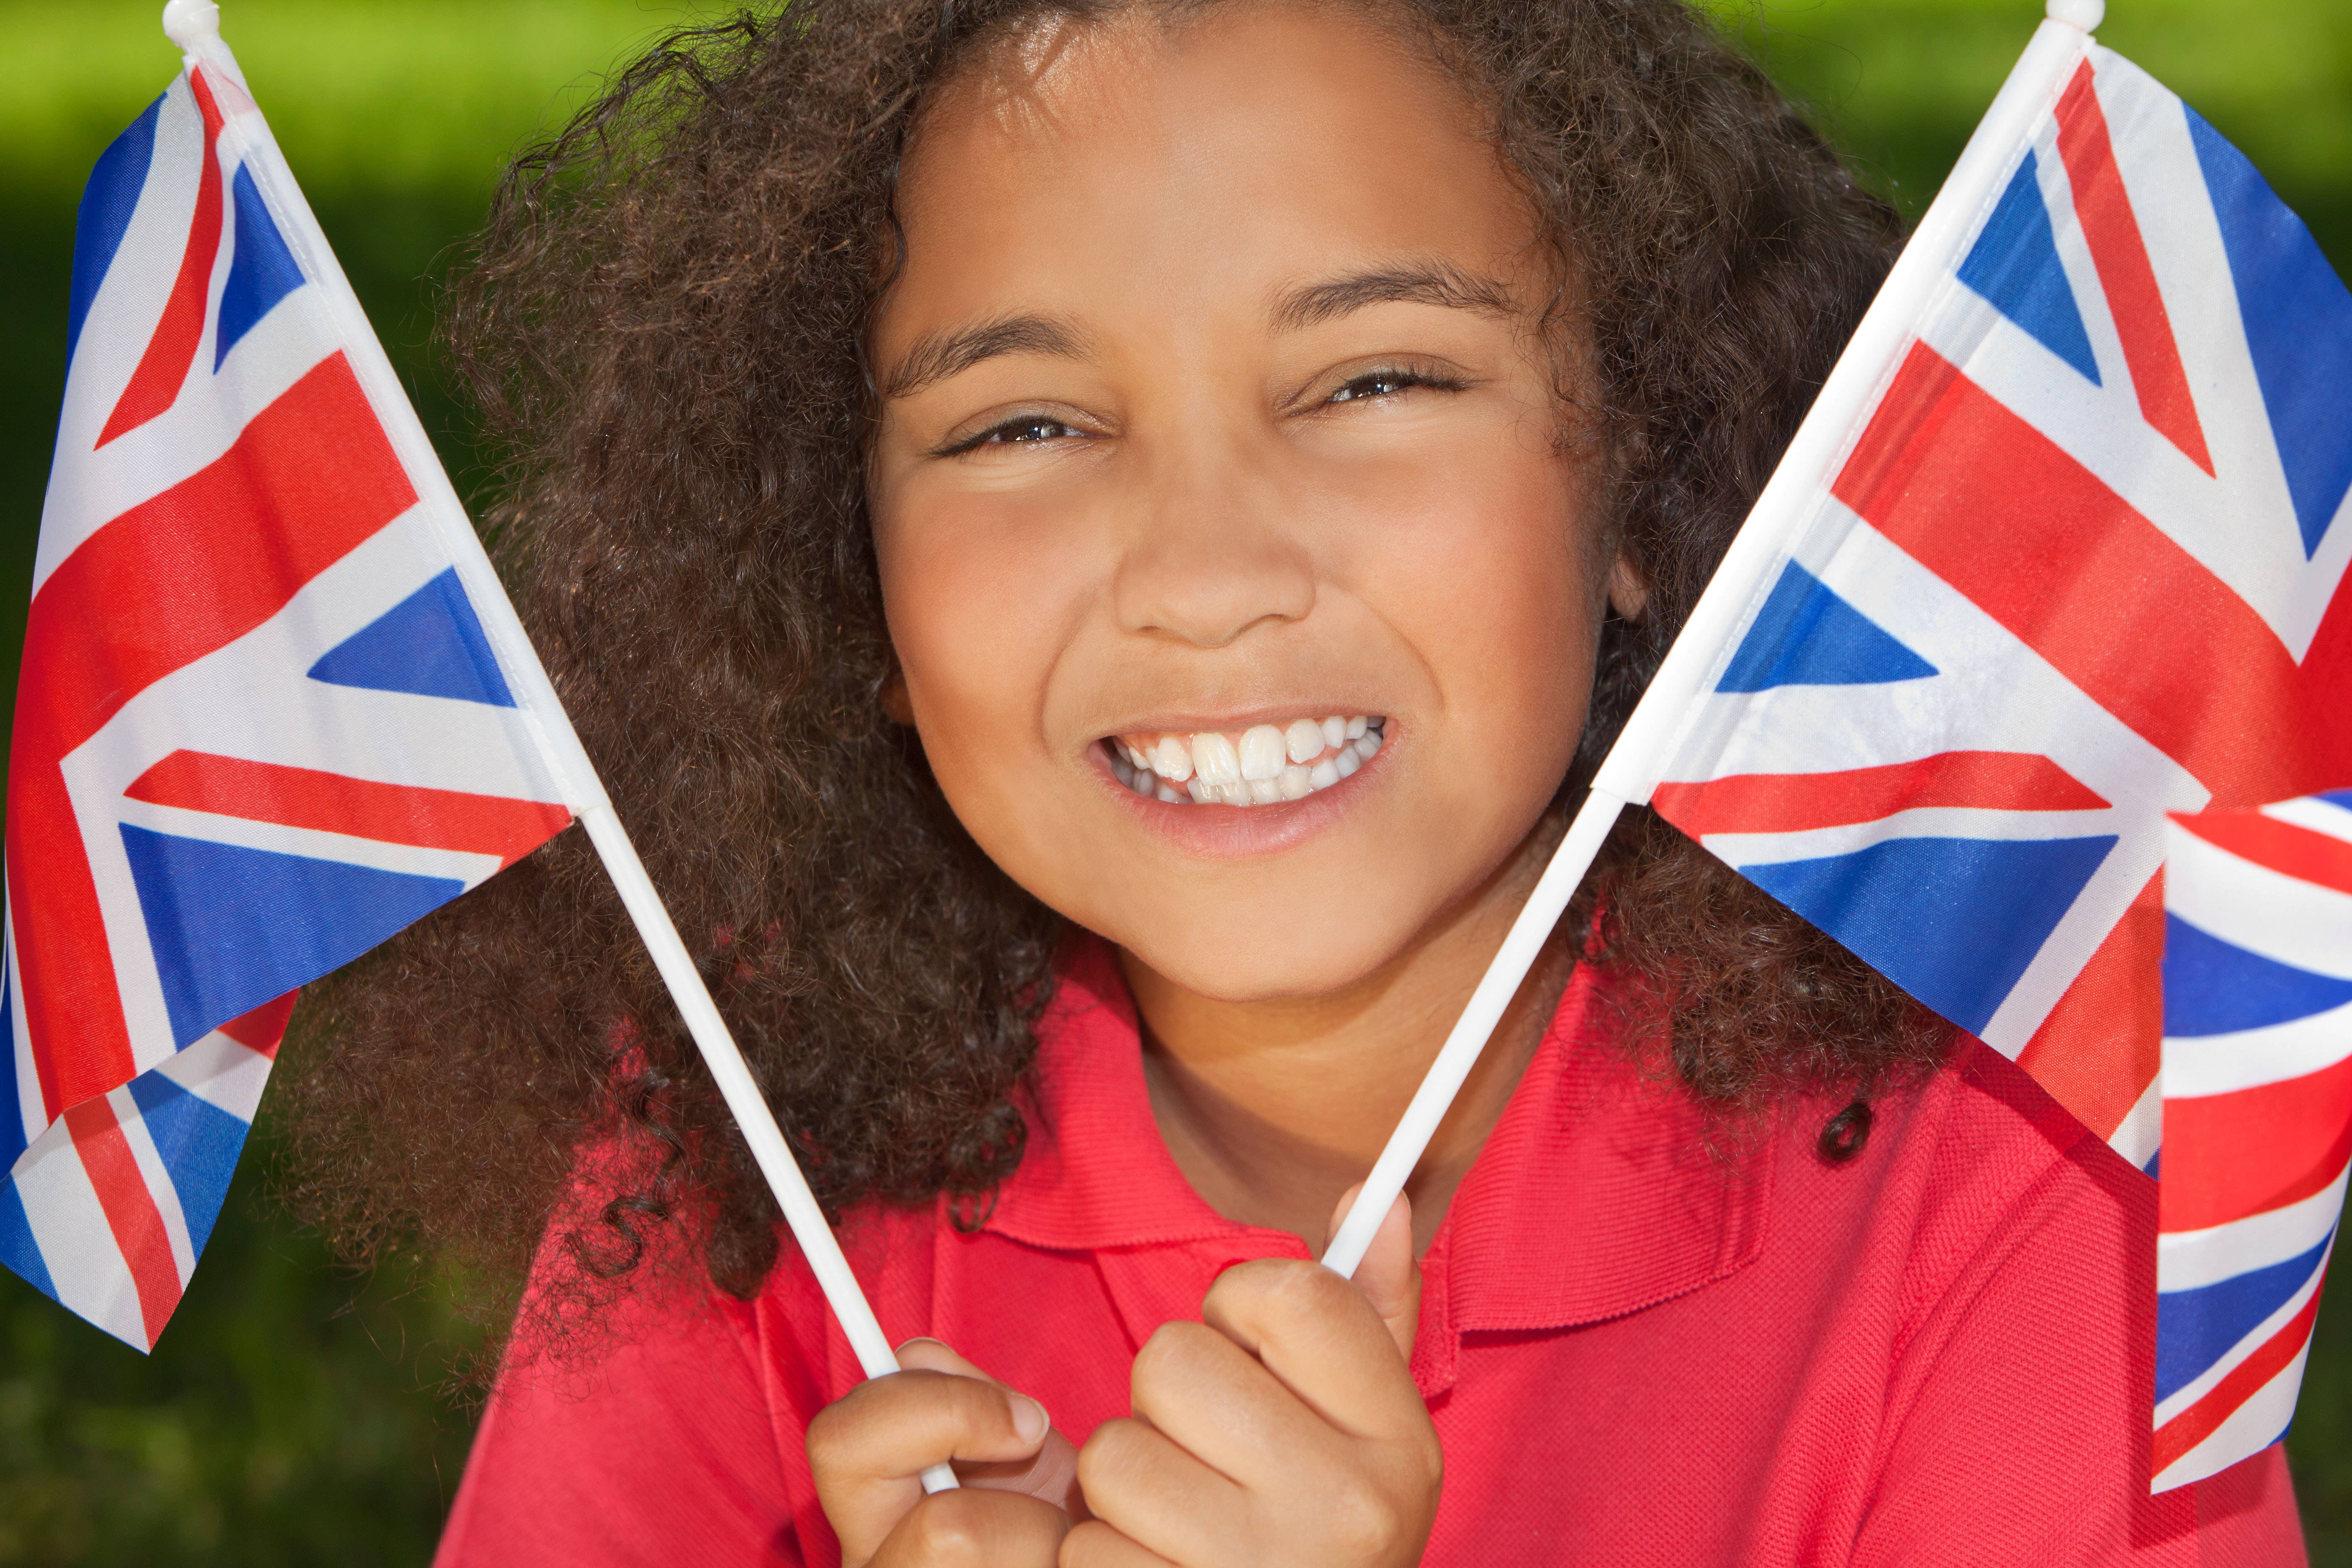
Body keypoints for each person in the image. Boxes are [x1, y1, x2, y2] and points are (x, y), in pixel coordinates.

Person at [279, 1, 2309, 1562]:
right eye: (1022, 424)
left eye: (1374, 382)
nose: (1209, 580)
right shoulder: (743, 1129)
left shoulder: (2022, 1174)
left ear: (1647, 473)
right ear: (847, 578)